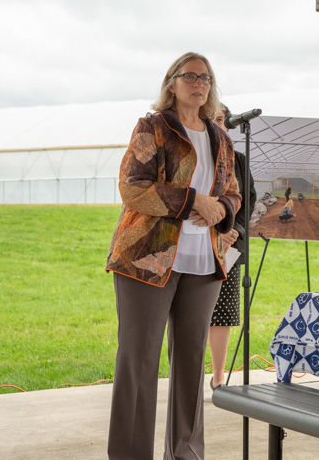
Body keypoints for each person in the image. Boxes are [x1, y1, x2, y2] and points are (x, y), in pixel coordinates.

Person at [105, 52, 241, 460]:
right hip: (147, 260)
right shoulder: (154, 127)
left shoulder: (222, 138)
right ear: (172, 83)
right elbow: (133, 186)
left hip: (204, 263)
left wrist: (223, 209)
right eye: (189, 76)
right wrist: (194, 201)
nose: (198, 83)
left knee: (190, 365)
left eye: (205, 78)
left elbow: (232, 190)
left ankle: (186, 453)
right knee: (139, 362)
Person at [208, 104, 257, 390]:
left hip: (230, 247)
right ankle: (186, 376)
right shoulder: (193, 156)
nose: (217, 124)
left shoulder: (238, 159)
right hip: (197, 245)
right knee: (192, 313)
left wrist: (232, 232)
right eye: (211, 118)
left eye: (220, 119)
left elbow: (247, 199)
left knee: (223, 312)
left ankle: (217, 377)